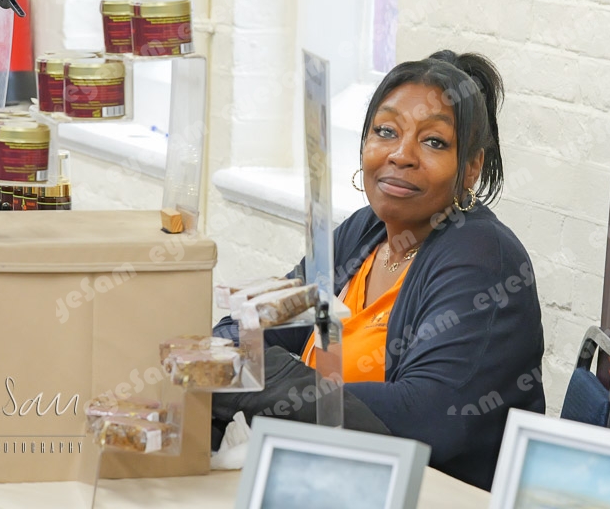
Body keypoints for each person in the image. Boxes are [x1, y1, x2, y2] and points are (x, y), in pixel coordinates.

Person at [213, 50, 545, 490]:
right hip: (330, 478)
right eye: (386, 131)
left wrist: (261, 383)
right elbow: (243, 331)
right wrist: (248, 371)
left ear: (471, 169)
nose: (401, 154)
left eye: (434, 142)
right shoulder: (364, 231)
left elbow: (424, 416)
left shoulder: (482, 258)